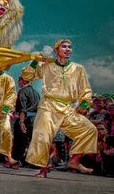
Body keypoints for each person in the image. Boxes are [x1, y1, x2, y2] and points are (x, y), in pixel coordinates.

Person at [21, 39, 98, 178]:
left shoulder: (78, 68)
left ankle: (74, 161)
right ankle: (43, 169)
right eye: (64, 47)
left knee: (89, 130)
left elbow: (86, 90)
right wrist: (35, 61)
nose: (68, 49)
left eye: (70, 47)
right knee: (43, 136)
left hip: (67, 108)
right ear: (56, 50)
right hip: (48, 106)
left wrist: (85, 103)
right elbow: (27, 76)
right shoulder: (47, 65)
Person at [12, 76, 40, 166]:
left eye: (19, 81)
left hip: (26, 119)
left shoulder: (22, 92)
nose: (18, 83)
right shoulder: (36, 93)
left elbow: (23, 109)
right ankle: (34, 162)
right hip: (35, 119)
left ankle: (16, 161)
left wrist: (21, 122)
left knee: (19, 141)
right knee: (33, 141)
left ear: (23, 81)